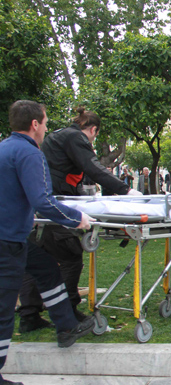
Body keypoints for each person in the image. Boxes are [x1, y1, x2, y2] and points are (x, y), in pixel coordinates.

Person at [17, 106, 141, 333]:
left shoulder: (56, 137)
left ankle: (29, 315)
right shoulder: (75, 138)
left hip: (42, 205)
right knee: (70, 256)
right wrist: (126, 190)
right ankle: (69, 311)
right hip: (56, 206)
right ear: (93, 130)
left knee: (37, 260)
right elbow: (93, 167)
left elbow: (68, 176)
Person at [0, 100, 97, 385]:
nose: (45, 129)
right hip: (8, 241)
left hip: (12, 234)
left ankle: (66, 325)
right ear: (34, 124)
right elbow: (43, 200)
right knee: (4, 310)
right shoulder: (30, 153)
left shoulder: (4, 147)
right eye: (44, 123)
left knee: (46, 268)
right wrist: (77, 219)